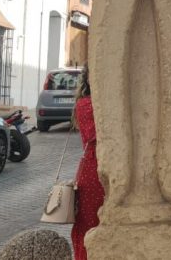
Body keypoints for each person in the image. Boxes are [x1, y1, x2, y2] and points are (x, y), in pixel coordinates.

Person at [71, 68, 104, 260]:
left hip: (95, 168)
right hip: (93, 170)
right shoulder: (86, 104)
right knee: (89, 223)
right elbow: (97, 134)